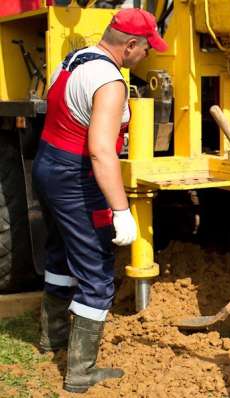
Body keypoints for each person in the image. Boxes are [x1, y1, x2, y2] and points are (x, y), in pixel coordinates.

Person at [32, 8, 167, 393]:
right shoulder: (110, 82)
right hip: (75, 176)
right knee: (96, 269)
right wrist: (122, 211)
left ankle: (52, 339)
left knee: (59, 252)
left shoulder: (73, 59)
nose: (147, 55)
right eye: (146, 48)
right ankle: (80, 372)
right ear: (129, 45)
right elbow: (101, 152)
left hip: (47, 164)